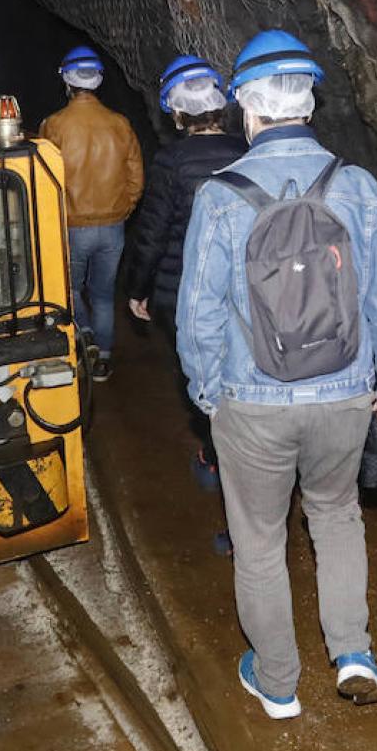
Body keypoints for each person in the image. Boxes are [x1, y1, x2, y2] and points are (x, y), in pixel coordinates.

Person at [176, 29, 377, 721]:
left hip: (253, 402)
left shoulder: (221, 196)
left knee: (258, 538)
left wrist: (209, 395)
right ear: (308, 102)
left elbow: (199, 314)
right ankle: (354, 653)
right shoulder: (357, 185)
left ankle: (278, 681)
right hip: (344, 392)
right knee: (337, 518)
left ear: (247, 109)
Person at [125, 55, 247, 555]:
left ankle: (219, 464)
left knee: (207, 388)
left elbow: (151, 234)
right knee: (240, 388)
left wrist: (138, 287)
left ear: (176, 114)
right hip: (241, 296)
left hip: (184, 295)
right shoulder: (246, 151)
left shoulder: (171, 164)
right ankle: (221, 459)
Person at [39, 45, 144, 383]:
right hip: (113, 225)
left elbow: (44, 178)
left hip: (71, 224)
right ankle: (104, 359)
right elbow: (136, 177)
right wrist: (123, 209)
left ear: (66, 81)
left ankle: (83, 332)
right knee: (102, 294)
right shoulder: (120, 123)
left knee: (69, 290)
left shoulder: (54, 125)